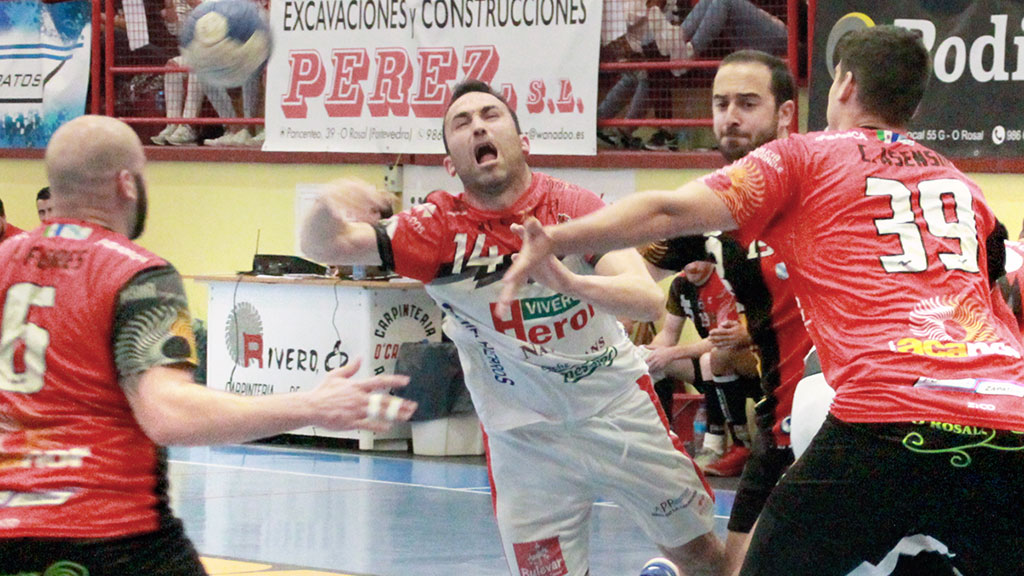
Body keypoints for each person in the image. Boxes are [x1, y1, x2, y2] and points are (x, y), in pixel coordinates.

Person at [502, 26, 1024, 576]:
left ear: (843, 85)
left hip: (882, 418)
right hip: (1007, 418)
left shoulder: (805, 157)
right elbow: (997, 302)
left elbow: (666, 210)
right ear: (914, 105)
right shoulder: (964, 187)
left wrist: (556, 237)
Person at [300, 79, 725, 576]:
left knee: (703, 559)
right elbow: (323, 246)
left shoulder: (571, 207)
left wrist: (566, 280)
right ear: (451, 165)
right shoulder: (437, 229)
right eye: (462, 123)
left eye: (490, 115)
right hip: (524, 442)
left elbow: (647, 300)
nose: (478, 126)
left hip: (616, 409)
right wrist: (325, 203)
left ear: (522, 143)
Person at [0, 115, 416, 575]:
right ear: (127, 184)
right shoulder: (135, 274)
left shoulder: (4, 261)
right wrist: (312, 406)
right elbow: (168, 413)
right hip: (111, 533)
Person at [640, 49, 813, 575]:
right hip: (779, 421)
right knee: (735, 567)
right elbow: (632, 271)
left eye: (747, 103)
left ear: (785, 114)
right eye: (721, 104)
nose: (730, 117)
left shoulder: (822, 184)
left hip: (845, 414)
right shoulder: (709, 208)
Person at [642, 237, 761, 477]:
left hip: (745, 358)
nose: (692, 266)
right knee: (653, 363)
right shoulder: (680, 285)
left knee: (711, 357)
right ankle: (663, 441)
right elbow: (668, 335)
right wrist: (644, 355)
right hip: (714, 358)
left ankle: (718, 443)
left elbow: (724, 338)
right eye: (686, 261)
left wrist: (670, 353)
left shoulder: (725, 280)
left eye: (698, 259)